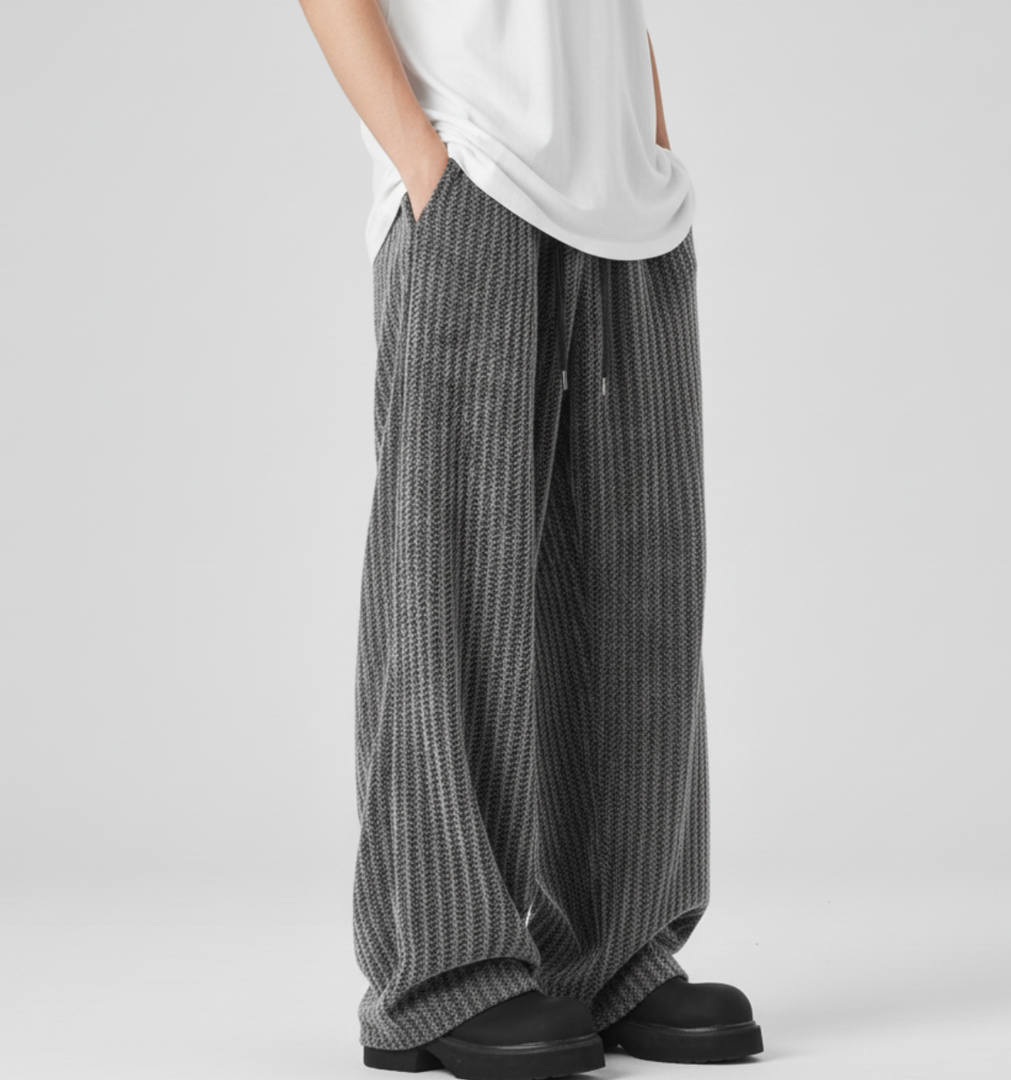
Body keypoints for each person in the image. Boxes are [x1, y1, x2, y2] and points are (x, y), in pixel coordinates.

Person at [297, 2, 764, 1077]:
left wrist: (649, 144)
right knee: (452, 585)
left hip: (626, 195)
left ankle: (613, 951)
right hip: (474, 167)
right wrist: (423, 164)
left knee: (639, 581)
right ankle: (440, 968)